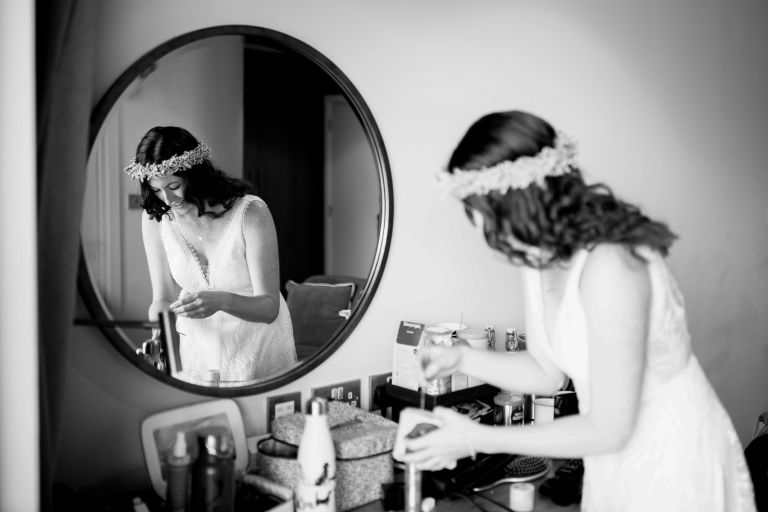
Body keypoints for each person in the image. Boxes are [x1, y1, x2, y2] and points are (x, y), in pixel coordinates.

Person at [399, 111, 756, 510]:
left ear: (520, 204)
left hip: (671, 455)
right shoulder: (537, 258)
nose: (487, 238)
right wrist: (462, 357)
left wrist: (476, 438)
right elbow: (546, 373)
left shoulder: (611, 265)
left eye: (488, 221)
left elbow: (610, 426)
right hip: (609, 456)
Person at [124, 126, 297, 384]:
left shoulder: (251, 213)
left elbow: (269, 307)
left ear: (196, 176)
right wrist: (160, 326)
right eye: (158, 190)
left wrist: (222, 301)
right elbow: (161, 297)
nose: (168, 199)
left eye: (174, 185)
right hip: (198, 352)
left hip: (258, 348)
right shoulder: (155, 219)